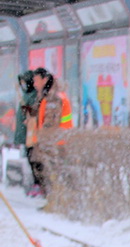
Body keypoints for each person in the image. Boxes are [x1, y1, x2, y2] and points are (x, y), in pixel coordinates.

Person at [25, 67, 72, 198]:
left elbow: (50, 124)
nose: (34, 84)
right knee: (50, 171)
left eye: (36, 81)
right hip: (54, 141)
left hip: (56, 142)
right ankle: (54, 198)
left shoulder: (54, 98)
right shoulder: (46, 95)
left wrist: (42, 141)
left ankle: (57, 199)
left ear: (45, 80)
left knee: (54, 172)